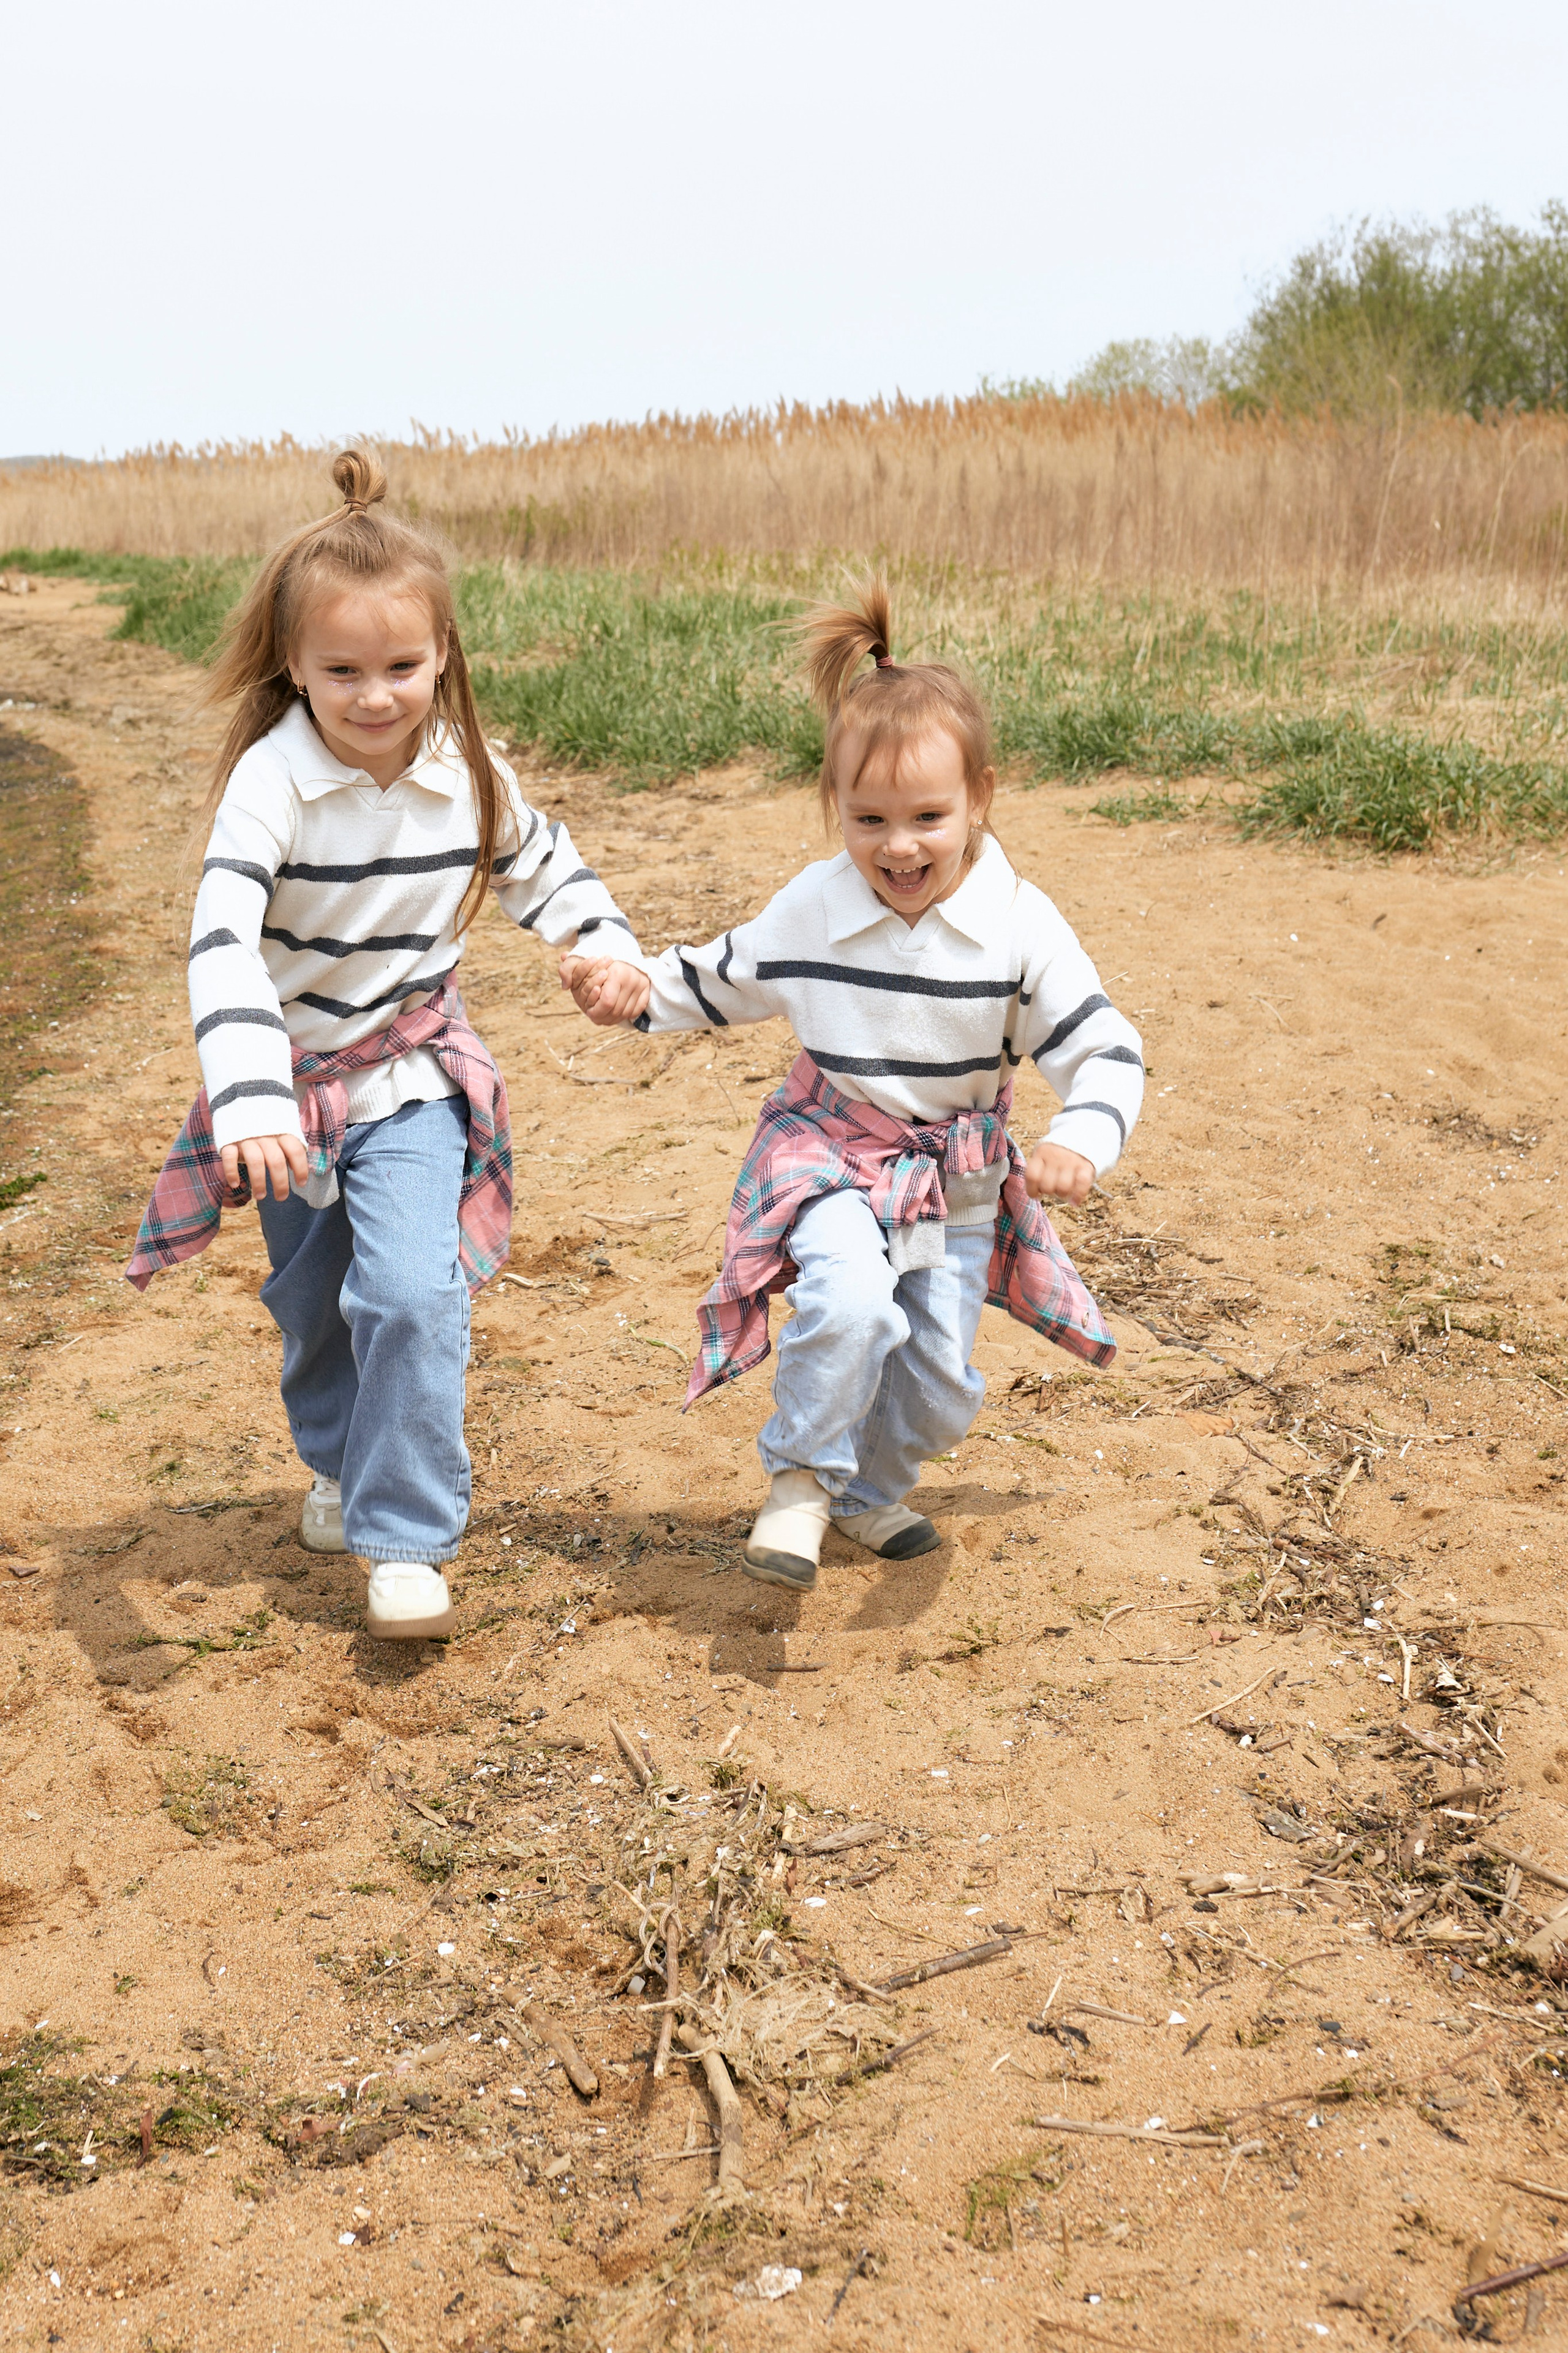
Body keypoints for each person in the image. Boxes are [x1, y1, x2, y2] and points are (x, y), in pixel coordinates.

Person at [127, 451, 646, 1639]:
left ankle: (406, 1535)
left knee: (409, 1294)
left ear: (443, 659)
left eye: (402, 667)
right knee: (314, 1306)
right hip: (285, 1092)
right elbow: (219, 942)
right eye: (342, 670)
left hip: (412, 1079)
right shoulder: (271, 784)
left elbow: (547, 868)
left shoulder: (468, 775)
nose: (375, 696)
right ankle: (333, 1459)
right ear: (293, 666)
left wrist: (601, 947)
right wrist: (251, 1097)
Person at [563, 579, 1142, 1593]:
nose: (899, 846)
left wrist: (1080, 1138)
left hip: (953, 1178)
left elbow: (1104, 1048)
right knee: (851, 1302)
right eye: (868, 818)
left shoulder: (1020, 924)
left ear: (981, 799)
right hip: (829, 1154)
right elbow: (721, 975)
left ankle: (868, 1491)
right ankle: (798, 1483)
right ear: (838, 808)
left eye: (928, 816)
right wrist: (632, 989)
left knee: (942, 1384)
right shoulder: (817, 906)